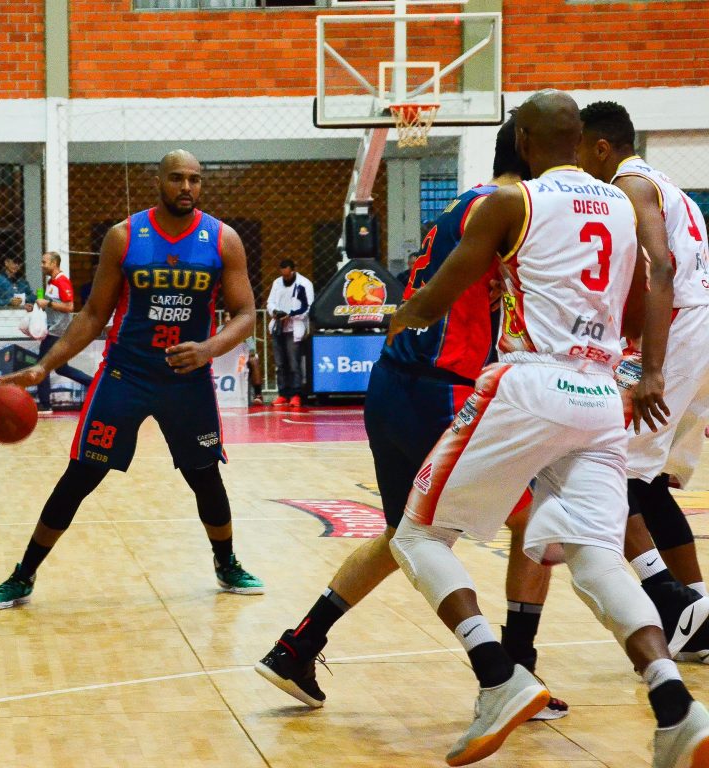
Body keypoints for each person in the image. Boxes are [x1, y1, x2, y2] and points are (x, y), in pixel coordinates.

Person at [386, 90, 709, 767]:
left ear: (526, 142)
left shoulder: (513, 202)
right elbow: (648, 293)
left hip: (530, 384)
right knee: (596, 554)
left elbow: (441, 294)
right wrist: (648, 367)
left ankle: (497, 674)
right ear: (577, 140)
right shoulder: (623, 203)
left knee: (417, 534)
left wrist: (401, 315)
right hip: (601, 396)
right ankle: (676, 705)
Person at [256, 113, 566, 720]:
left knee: (405, 536)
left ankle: (298, 645)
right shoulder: (509, 208)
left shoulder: (463, 204)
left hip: (393, 384)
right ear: (530, 152)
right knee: (535, 522)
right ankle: (512, 670)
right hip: (441, 392)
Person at [0, 149, 264, 609]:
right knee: (81, 474)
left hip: (186, 378)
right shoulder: (125, 236)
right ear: (160, 181)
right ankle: (23, 575)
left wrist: (208, 349)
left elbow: (246, 313)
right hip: (125, 374)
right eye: (177, 178)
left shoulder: (222, 239)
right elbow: (94, 314)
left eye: (195, 179)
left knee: (205, 476)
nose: (186, 187)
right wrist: (43, 366)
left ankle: (226, 562)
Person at [577, 101, 709, 662]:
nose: (579, 164)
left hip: (677, 332)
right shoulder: (670, 186)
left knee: (614, 470)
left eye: (581, 151)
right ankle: (699, 612)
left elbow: (662, 268)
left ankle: (673, 605)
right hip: (696, 330)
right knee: (649, 483)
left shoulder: (629, 186)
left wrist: (650, 366)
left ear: (602, 147)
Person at [33, 251, 93, 413]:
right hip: (55, 331)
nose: (41, 265)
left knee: (41, 366)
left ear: (54, 263)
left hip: (58, 332)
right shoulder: (51, 282)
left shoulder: (62, 281)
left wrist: (48, 304)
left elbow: (69, 307)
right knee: (61, 368)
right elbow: (52, 306)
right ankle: (94, 384)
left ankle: (45, 405)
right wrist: (39, 305)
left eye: (44, 262)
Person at [266, 258, 313, 408]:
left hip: (294, 327)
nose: (285, 278)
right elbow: (270, 302)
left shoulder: (304, 284)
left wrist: (291, 314)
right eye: (283, 275)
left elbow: (308, 307)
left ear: (293, 271)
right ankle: (283, 393)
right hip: (279, 326)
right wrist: (275, 312)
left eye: (287, 275)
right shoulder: (277, 283)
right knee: (280, 363)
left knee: (294, 363)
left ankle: (296, 394)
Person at [221, 310, 264, 405]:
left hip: (240, 358)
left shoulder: (243, 330)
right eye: (226, 316)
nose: (228, 319)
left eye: (230, 316)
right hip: (223, 359)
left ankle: (258, 395)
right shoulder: (219, 330)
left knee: (253, 360)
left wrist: (243, 349)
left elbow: (252, 349)